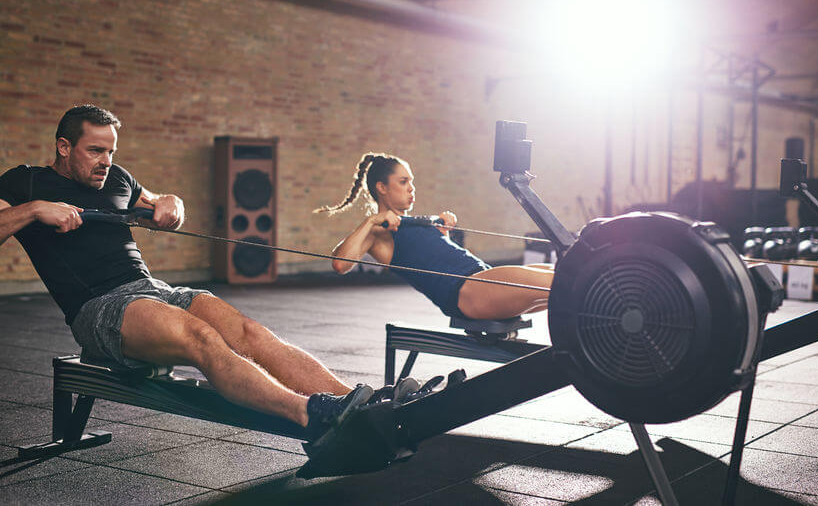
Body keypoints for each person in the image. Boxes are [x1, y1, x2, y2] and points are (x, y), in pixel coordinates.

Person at [0, 105, 376, 440]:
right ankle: (312, 417)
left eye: (111, 151)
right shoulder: (26, 182)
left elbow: (162, 205)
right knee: (201, 338)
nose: (106, 160)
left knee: (251, 333)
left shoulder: (117, 179)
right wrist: (33, 210)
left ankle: (361, 403)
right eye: (95, 151)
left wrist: (172, 203)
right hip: (99, 307)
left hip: (154, 290)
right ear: (64, 147)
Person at [315, 152, 554, 321]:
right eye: (403, 181)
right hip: (466, 291)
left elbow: (434, 258)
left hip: (480, 278)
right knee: (563, 283)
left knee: (563, 275)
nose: (412, 188)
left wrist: (443, 233)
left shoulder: (414, 223)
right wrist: (370, 220)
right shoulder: (378, 233)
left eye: (412, 182)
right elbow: (340, 263)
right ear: (382, 188)